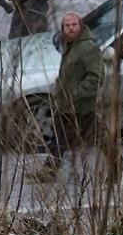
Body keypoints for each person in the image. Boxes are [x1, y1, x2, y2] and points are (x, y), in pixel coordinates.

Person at [31, 11, 105, 182]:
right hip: (66, 106)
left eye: (74, 25)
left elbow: (96, 78)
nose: (71, 28)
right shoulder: (70, 45)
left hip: (81, 108)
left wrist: (74, 95)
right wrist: (59, 89)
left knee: (102, 140)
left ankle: (120, 169)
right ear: (63, 28)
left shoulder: (88, 48)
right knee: (59, 140)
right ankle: (48, 172)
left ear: (81, 26)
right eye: (67, 26)